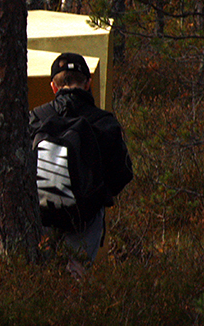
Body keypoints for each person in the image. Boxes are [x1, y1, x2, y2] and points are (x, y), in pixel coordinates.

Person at [29, 52, 133, 277]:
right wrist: (98, 194)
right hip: (85, 219)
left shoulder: (35, 118)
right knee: (75, 281)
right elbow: (122, 173)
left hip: (43, 215)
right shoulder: (104, 121)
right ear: (87, 84)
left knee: (43, 278)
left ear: (53, 87)